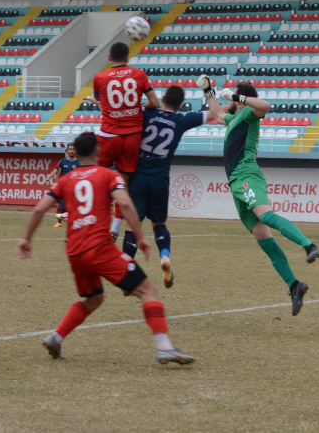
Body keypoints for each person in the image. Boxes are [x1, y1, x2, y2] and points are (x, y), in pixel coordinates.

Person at [17, 131, 195, 365]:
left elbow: (39, 210)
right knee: (148, 291)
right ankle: (164, 348)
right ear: (99, 150)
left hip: (75, 252)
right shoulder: (109, 175)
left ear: (76, 153)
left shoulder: (65, 179)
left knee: (94, 298)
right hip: (99, 248)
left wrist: (26, 239)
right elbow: (124, 202)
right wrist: (140, 237)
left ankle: (56, 337)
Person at [199, 75, 319, 316]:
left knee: (265, 216)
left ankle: (309, 246)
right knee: (264, 239)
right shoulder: (235, 118)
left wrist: (237, 96)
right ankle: (295, 286)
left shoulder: (247, 114)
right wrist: (209, 92)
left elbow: (265, 107)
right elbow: (215, 114)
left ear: (241, 99)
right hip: (236, 181)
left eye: (235, 97)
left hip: (246, 175)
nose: (231, 100)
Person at [121, 85, 211, 289]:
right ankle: (165, 257)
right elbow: (212, 113)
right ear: (180, 105)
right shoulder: (182, 120)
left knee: (133, 226)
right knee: (158, 225)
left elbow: (125, 114)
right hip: (160, 179)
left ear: (162, 98)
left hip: (139, 178)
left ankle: (126, 268)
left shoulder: (146, 113)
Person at [82, 42, 159, 240]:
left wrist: (94, 101)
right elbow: (155, 103)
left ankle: (92, 220)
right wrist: (137, 107)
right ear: (127, 57)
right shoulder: (139, 74)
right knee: (122, 184)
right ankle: (115, 227)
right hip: (132, 137)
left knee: (94, 176)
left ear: (109, 57)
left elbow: (105, 105)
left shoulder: (100, 78)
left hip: (109, 136)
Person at [47, 143, 79, 227]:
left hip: (75, 189)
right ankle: (61, 222)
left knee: (74, 208)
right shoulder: (62, 161)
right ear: (67, 150)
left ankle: (73, 223)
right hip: (65, 189)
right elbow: (59, 173)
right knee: (63, 207)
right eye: (70, 149)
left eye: (73, 149)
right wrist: (56, 184)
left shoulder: (79, 162)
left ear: (75, 151)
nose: (71, 151)